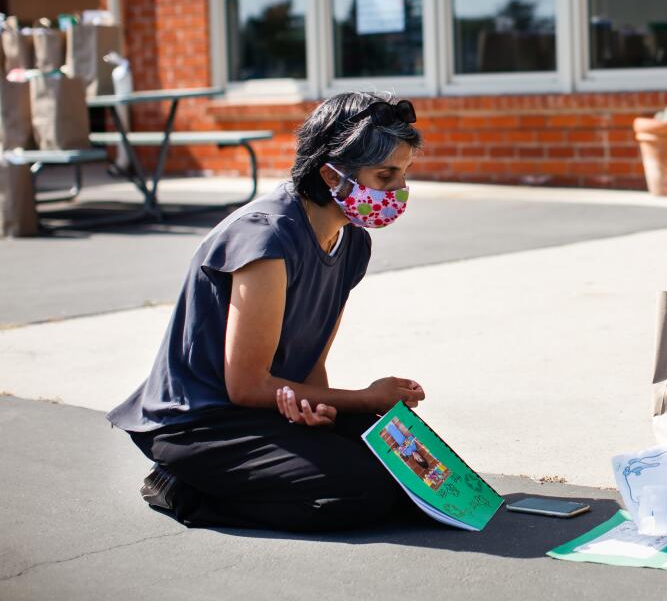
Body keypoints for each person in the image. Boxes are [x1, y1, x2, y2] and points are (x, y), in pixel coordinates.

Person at [107, 92, 427, 532]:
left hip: (264, 408)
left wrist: (321, 417)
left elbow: (311, 359)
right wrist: (366, 398)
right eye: (384, 175)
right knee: (362, 492)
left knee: (404, 465)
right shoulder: (267, 237)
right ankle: (182, 489)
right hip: (201, 424)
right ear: (330, 173)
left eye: (404, 175)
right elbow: (246, 385)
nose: (397, 191)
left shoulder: (352, 241)